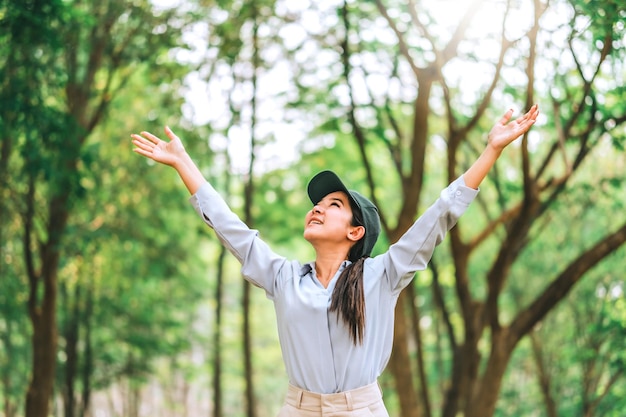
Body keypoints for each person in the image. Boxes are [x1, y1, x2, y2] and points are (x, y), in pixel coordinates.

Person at [131, 105, 538, 416]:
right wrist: (184, 164)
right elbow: (229, 228)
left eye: (334, 204)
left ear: (355, 232)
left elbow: (438, 217)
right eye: (317, 204)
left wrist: (491, 150)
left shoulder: (383, 276)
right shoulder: (283, 278)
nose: (319, 208)